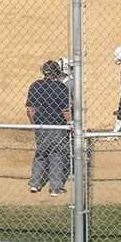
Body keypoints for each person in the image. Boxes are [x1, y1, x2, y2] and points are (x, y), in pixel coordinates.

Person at [25, 60, 71, 196]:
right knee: (57, 154)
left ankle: (34, 184)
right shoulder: (61, 87)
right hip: (57, 126)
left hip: (41, 126)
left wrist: (34, 123)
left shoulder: (35, 86)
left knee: (41, 154)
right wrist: (70, 124)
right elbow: (66, 111)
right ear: (57, 73)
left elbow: (29, 110)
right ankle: (55, 188)